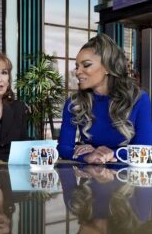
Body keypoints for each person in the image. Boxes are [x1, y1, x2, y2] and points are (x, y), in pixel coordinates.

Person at [57, 33, 152, 164]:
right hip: (90, 180)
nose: (78, 72)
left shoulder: (139, 99)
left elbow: (145, 149)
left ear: (107, 67)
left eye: (86, 65)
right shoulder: (74, 103)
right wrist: (86, 156)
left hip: (131, 179)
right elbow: (63, 148)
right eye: (77, 66)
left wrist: (109, 153)